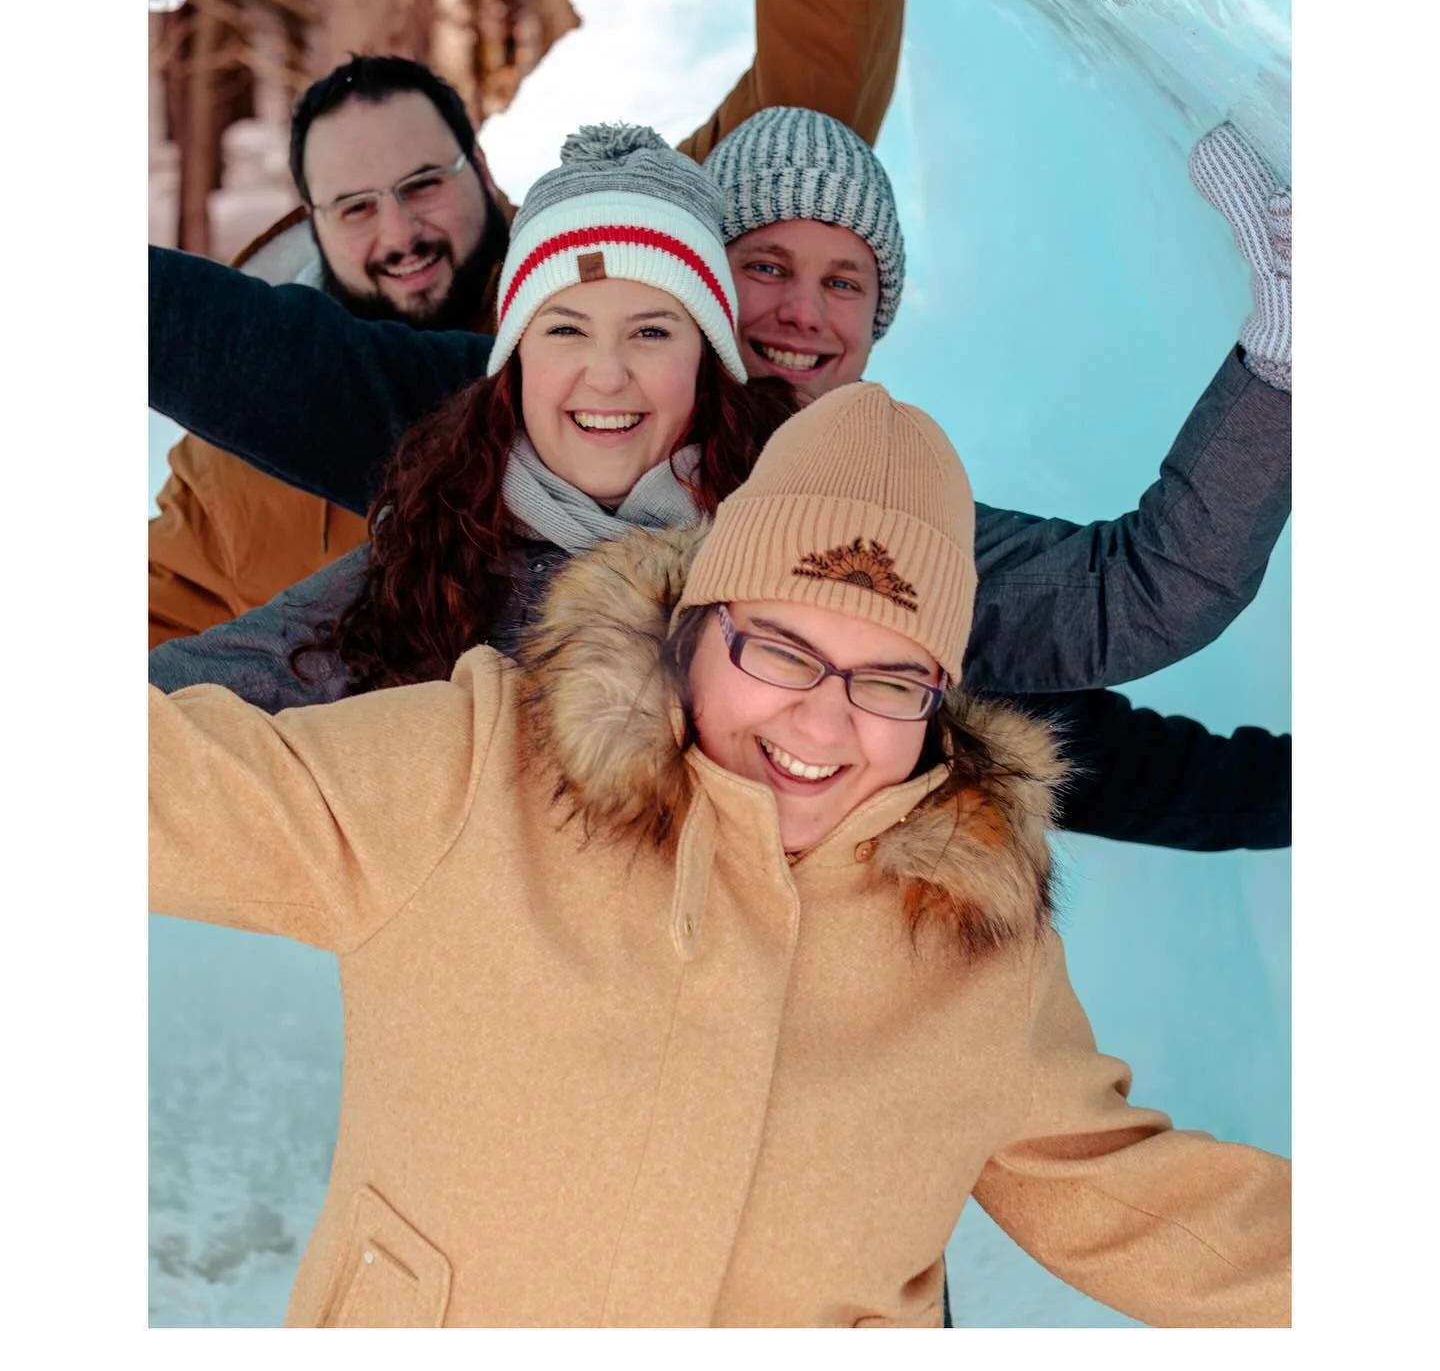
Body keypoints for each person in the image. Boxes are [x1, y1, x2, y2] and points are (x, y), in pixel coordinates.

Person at [150, 381, 1290, 1327]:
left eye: (891, 679)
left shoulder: (972, 939)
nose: (821, 724)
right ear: (696, 627)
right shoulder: (479, 770)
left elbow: (1138, 1204)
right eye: (781, 649)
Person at [148, 101, 1291, 840]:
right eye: (768, 269)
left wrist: (1283, 363)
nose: (801, 313)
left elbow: (1116, 646)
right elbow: (250, 358)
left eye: (846, 282)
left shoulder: (850, 519)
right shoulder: (453, 478)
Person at [148, 0, 905, 645]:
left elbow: (802, 114)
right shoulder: (244, 439)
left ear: (482, 173)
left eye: (424, 184)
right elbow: (155, 639)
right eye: (356, 206)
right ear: (312, 222)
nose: (400, 233)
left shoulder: (624, 265)